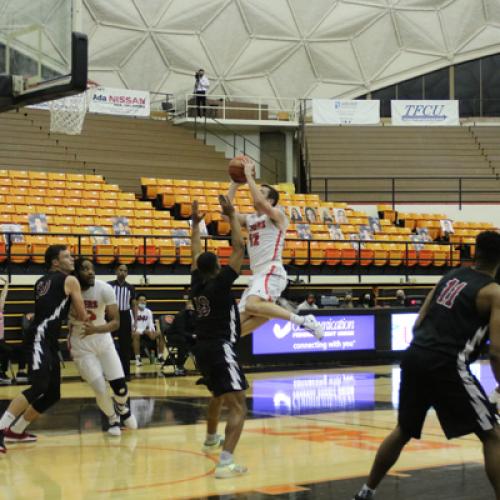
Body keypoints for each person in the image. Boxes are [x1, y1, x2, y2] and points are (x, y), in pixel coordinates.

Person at [353, 230, 500, 500]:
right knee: (492, 435)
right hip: (447, 364)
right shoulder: (493, 292)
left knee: (403, 430)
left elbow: (418, 322)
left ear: (474, 252)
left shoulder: (449, 277)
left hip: (415, 355)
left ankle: (365, 492)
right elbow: (497, 352)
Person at [0, 245, 88, 451]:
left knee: (53, 393)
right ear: (55, 262)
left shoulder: (40, 282)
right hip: (40, 338)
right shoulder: (70, 280)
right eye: (67, 256)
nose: (72, 259)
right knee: (39, 387)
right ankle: (2, 427)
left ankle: (17, 430)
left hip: (45, 339)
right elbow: (82, 315)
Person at [227, 157, 323, 339]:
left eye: (261, 192)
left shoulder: (278, 215)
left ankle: (302, 320)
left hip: (271, 270)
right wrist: (234, 184)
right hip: (257, 275)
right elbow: (226, 215)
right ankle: (271, 313)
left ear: (271, 201)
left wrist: (248, 176)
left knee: (251, 306)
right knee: (233, 329)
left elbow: (261, 204)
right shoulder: (250, 219)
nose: (255, 193)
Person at [190, 196, 248, 478]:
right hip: (219, 346)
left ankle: (212, 439)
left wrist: (195, 224)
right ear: (216, 268)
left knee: (221, 398)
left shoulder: (196, 283)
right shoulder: (220, 283)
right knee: (239, 406)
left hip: (202, 349)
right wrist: (231, 214)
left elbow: (194, 251)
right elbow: (240, 246)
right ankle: (225, 463)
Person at [69, 258, 137, 436]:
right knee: (99, 387)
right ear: (76, 273)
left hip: (103, 339)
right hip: (80, 344)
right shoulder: (67, 291)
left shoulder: (104, 288)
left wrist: (96, 329)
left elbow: (115, 323)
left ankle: (122, 407)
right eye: (85, 269)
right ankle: (113, 419)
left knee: (120, 388)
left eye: (92, 268)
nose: (91, 272)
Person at [108, 265, 136, 381]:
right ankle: (108, 373)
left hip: (125, 316)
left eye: (125, 271)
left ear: (127, 274)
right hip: (111, 315)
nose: (123, 272)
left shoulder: (130, 287)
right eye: (120, 270)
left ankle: (126, 373)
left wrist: (135, 321)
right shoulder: (109, 285)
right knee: (107, 345)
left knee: (125, 347)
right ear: (116, 271)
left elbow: (133, 305)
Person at [163, 300, 196, 376]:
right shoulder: (180, 315)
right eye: (189, 305)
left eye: (192, 306)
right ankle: (179, 364)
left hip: (186, 335)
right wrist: (192, 336)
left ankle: (201, 363)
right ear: (186, 306)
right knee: (183, 340)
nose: (191, 307)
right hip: (173, 335)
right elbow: (180, 331)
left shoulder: (195, 315)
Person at [132, 294, 164, 366]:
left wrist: (152, 331)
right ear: (137, 301)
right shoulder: (132, 312)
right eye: (141, 300)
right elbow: (133, 326)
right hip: (136, 332)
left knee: (160, 333)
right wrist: (143, 331)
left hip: (146, 332)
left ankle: (160, 356)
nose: (143, 302)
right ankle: (138, 358)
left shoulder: (148, 311)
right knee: (136, 335)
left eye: (144, 300)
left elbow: (151, 324)